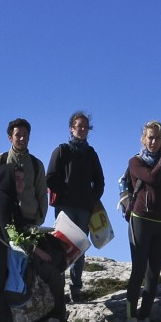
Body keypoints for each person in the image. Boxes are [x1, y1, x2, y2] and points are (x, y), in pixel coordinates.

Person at [121, 121, 161, 322]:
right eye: (150, 137)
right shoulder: (135, 162)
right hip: (140, 219)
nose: (153, 142)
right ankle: (130, 320)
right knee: (138, 271)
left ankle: (144, 317)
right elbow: (152, 179)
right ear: (143, 139)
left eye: (157, 138)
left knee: (154, 274)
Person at [46, 111, 105, 303]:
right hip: (65, 207)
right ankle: (58, 289)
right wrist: (65, 193)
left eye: (85, 126)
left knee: (79, 249)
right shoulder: (62, 150)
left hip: (84, 209)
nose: (82, 129)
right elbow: (50, 177)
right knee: (61, 248)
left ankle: (76, 290)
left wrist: (91, 199)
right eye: (79, 126)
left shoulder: (91, 153)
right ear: (72, 128)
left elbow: (100, 181)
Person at [0, 118, 46, 233]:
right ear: (10, 138)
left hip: (30, 220)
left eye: (25, 135)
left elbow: (42, 194)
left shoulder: (37, 165)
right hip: (4, 220)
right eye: (18, 135)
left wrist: (39, 219)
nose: (22, 138)